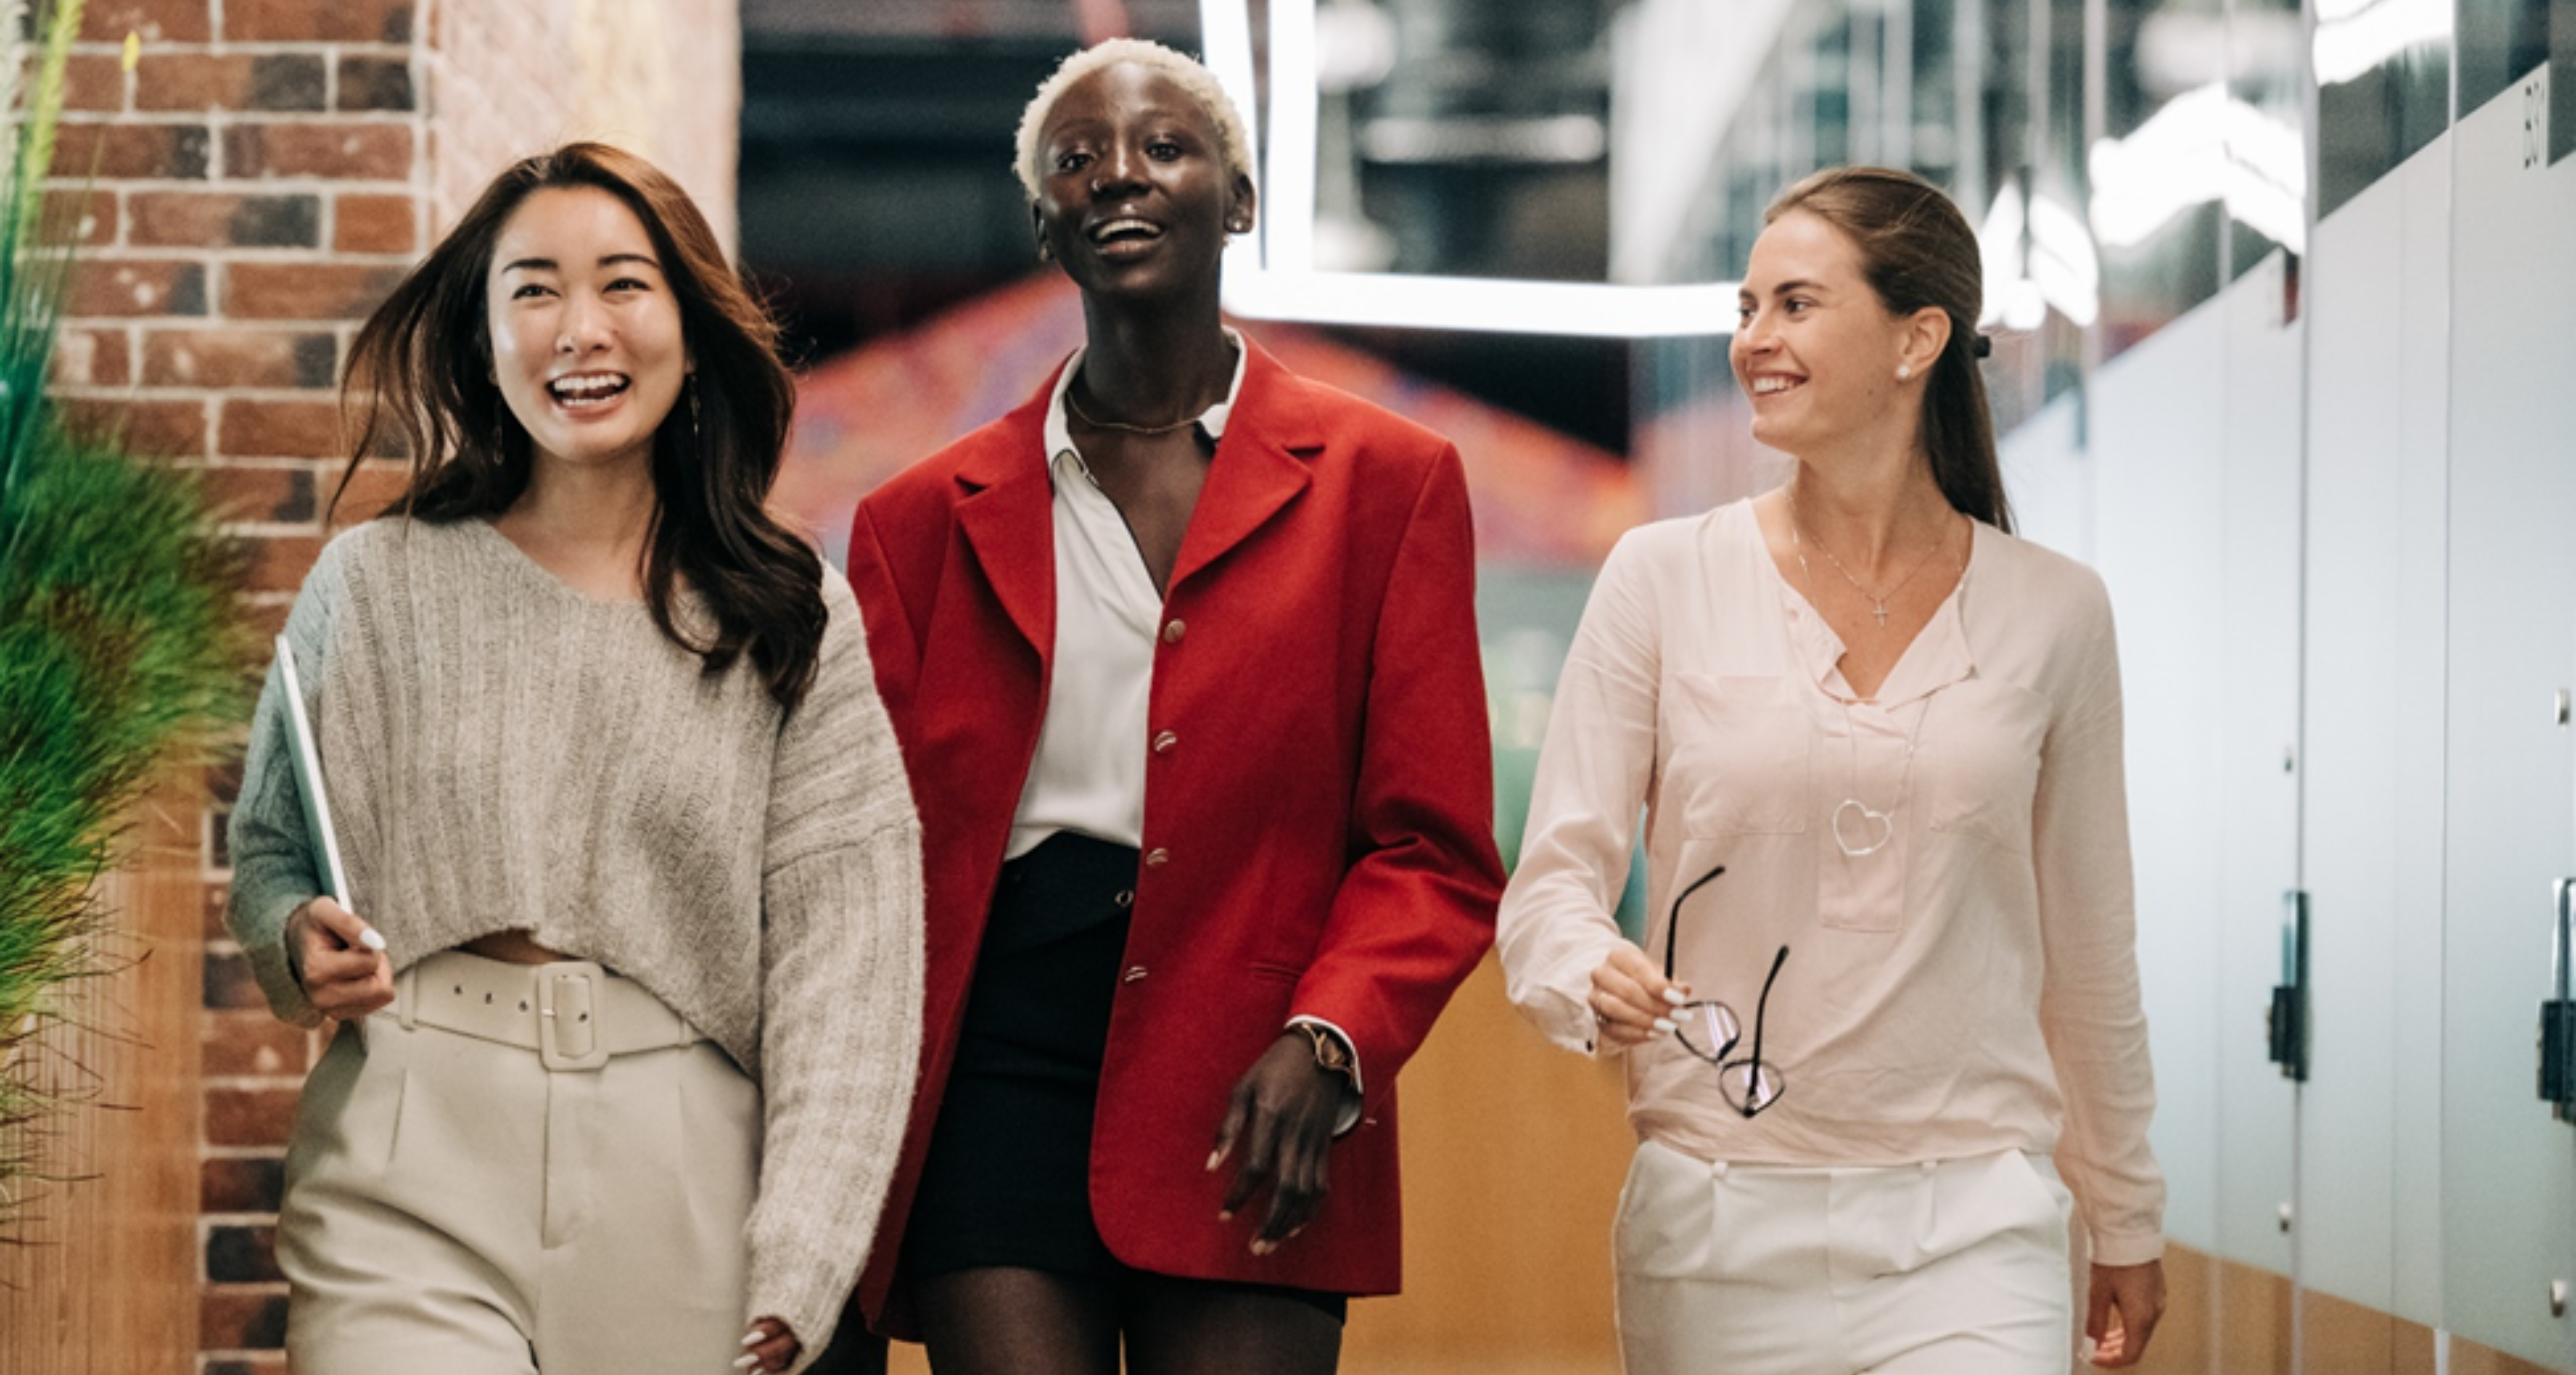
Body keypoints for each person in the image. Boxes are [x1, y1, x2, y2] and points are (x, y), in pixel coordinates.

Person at [832, 37, 1501, 1375]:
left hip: (1265, 1064)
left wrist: (1335, 1038)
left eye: (1163, 147)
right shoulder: (914, 523)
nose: (1117, 176)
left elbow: (1433, 847)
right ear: (1044, 223)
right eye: (1077, 160)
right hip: (995, 1067)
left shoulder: (1390, 482)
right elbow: (863, 855)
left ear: (1239, 201)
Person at [225, 143, 923, 1375]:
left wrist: (807, 1247)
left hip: (690, 1178)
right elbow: (276, 849)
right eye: (534, 289)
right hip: (411, 1140)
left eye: (623, 284)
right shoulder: (376, 585)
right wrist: (297, 935)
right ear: (484, 337)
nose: (578, 329)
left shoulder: (787, 613)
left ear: (692, 328)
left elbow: (849, 971)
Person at [1494, 166, 2167, 1375]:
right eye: (1746, 309)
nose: (1755, 340)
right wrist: (1583, 967)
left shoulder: (2058, 613)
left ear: (1919, 338)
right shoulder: (1659, 578)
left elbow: (2090, 945)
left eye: (1796, 305)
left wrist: (2124, 1208)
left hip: (1973, 1228)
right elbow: (1552, 886)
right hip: (1715, 1227)